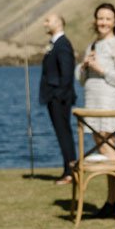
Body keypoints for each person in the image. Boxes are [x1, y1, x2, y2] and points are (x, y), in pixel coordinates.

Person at [77, 3, 115, 218]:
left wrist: (102, 69)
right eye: (100, 18)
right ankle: (112, 201)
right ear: (95, 20)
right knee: (103, 151)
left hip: (109, 103)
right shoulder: (92, 45)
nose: (103, 22)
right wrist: (83, 68)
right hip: (92, 103)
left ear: (114, 22)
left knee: (110, 153)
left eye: (108, 18)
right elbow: (82, 81)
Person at [40, 13, 77, 184]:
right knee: (62, 133)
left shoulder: (62, 44)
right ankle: (68, 169)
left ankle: (70, 172)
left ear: (58, 23)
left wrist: (59, 95)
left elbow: (67, 72)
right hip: (54, 96)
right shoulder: (54, 44)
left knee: (64, 134)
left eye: (48, 21)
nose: (44, 24)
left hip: (59, 98)